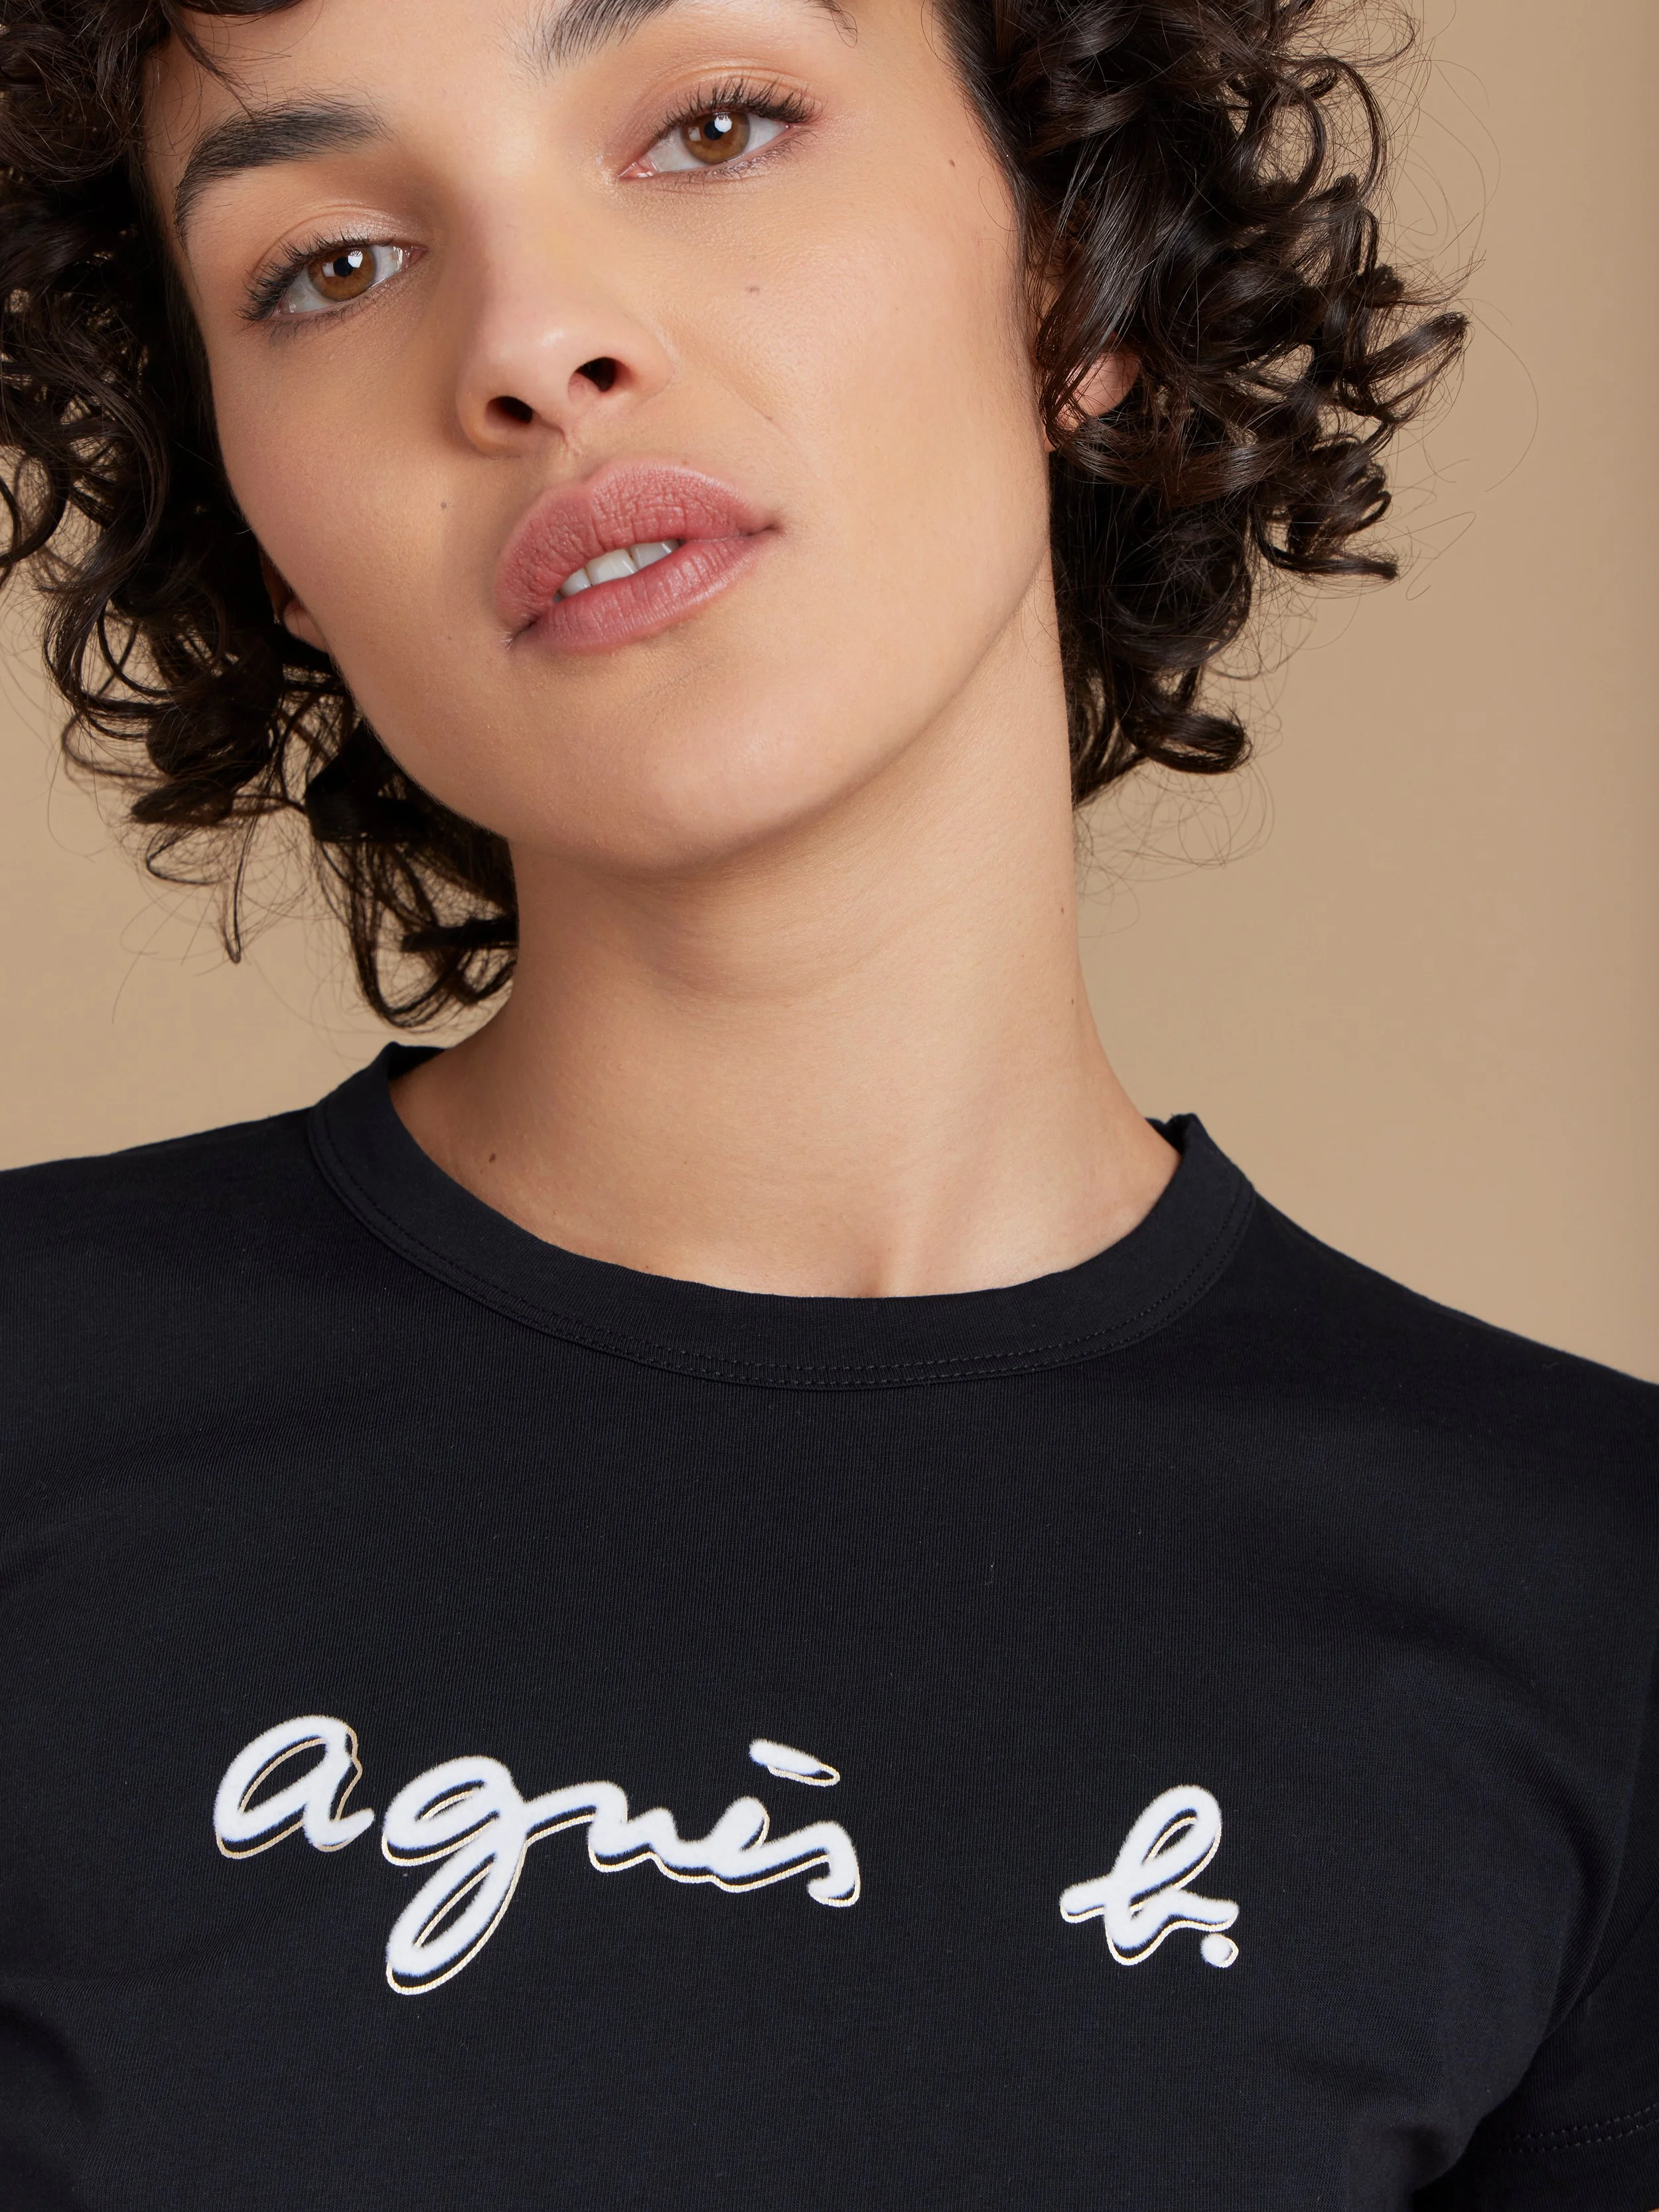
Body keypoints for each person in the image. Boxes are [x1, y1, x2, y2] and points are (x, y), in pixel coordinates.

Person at [0, 0, 1652, 2205]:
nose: (533, 342)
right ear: (264, 522)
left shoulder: (1589, 1597)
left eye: (710, 126)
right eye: (333, 265)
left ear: (1074, 276)